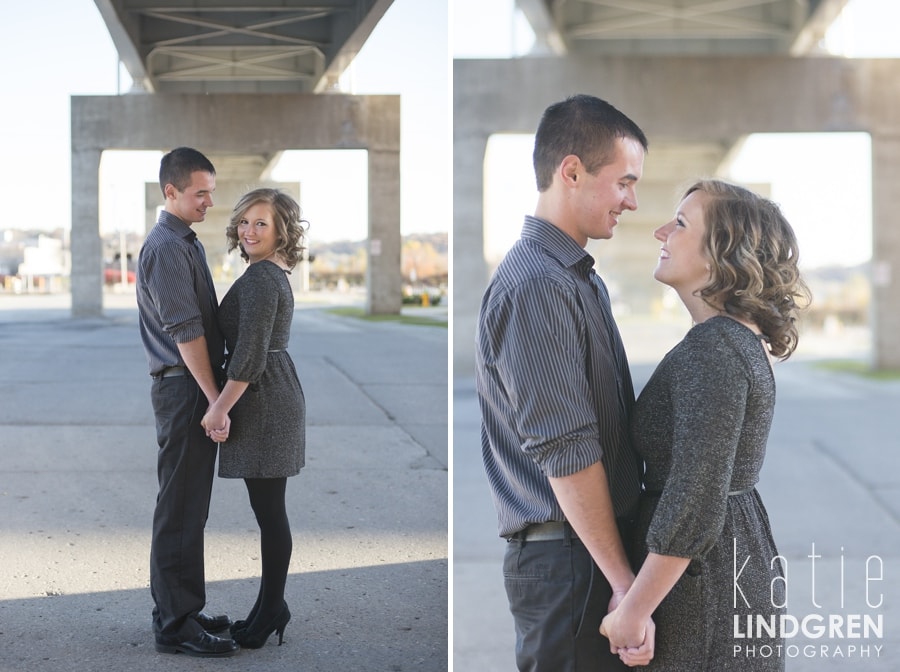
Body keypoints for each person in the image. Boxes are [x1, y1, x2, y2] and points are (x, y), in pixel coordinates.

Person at [474, 94, 655, 671]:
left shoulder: (574, 276)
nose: (633, 200)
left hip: (583, 555)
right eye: (624, 181)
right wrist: (625, 583)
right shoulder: (538, 285)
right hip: (570, 563)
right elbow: (566, 449)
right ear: (571, 171)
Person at [600, 179, 810, 670]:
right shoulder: (734, 340)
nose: (659, 232)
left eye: (679, 223)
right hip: (721, 562)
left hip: (701, 579)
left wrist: (635, 609)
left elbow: (694, 494)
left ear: (722, 253)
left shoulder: (714, 350)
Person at [136, 147, 238, 657]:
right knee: (179, 507)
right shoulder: (167, 248)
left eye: (211, 192)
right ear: (170, 191)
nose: (208, 201)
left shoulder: (184, 242)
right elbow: (185, 330)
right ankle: (175, 625)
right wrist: (214, 398)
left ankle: (180, 608)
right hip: (184, 387)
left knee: (189, 505)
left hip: (187, 386)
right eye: (200, 192)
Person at [200, 188, 307, 650]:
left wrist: (218, 407)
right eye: (244, 222)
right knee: (268, 511)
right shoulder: (266, 272)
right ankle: (269, 606)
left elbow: (249, 354)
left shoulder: (263, 278)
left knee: (270, 513)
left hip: (263, 400)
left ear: (281, 230)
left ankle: (270, 611)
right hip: (268, 393)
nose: (249, 231)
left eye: (261, 223)